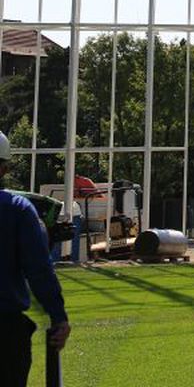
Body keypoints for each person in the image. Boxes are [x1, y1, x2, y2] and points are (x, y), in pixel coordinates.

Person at [1, 130, 71, 387]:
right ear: (5, 168)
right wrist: (58, 316)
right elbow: (39, 270)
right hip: (5, 331)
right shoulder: (17, 209)